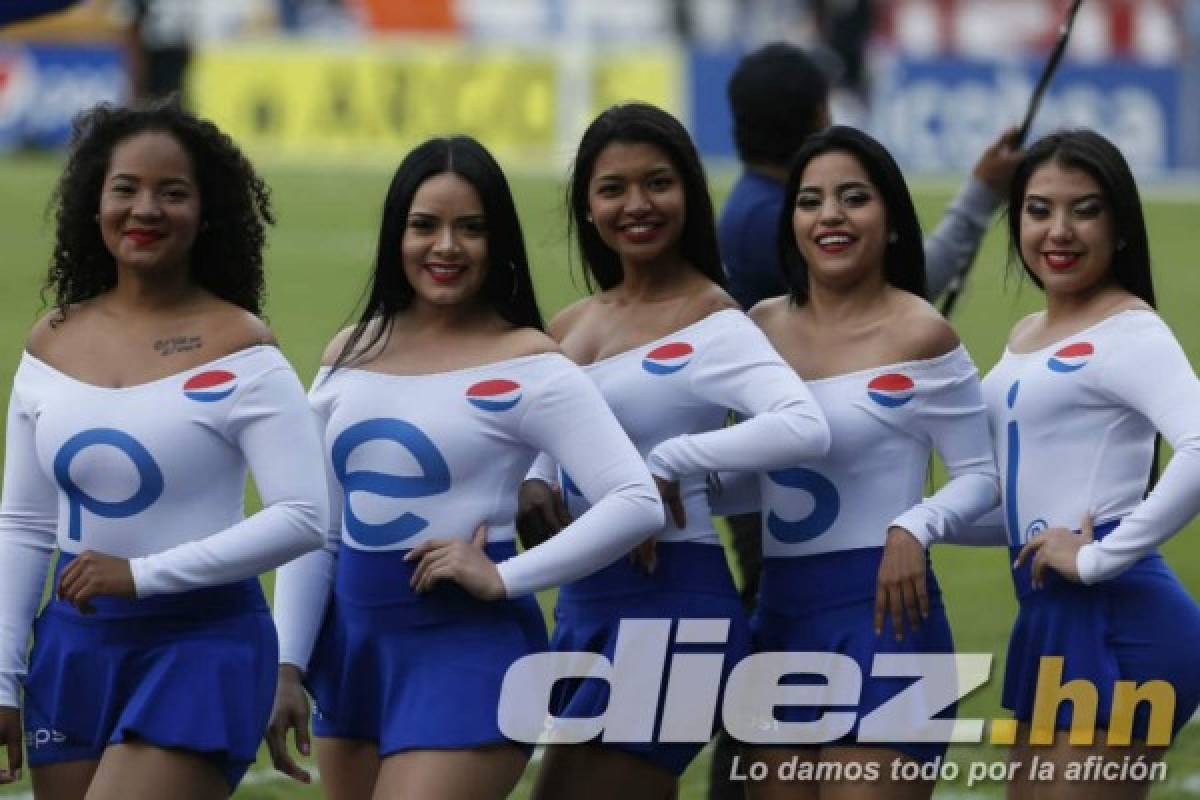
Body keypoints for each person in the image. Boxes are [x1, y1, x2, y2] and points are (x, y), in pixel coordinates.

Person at [265, 135, 664, 800]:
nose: (446, 247)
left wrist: (505, 577)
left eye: (470, 229)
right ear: (398, 234)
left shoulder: (530, 362)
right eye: (425, 225)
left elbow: (635, 500)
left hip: (468, 654)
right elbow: (316, 525)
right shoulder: (350, 352)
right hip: (354, 653)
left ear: (497, 241)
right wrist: (286, 664)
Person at [709, 43, 1019, 798]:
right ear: (792, 220)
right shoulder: (757, 330)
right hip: (780, 625)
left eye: (854, 197)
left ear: (888, 215)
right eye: (811, 200)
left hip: (891, 625)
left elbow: (981, 479)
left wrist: (917, 526)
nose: (830, 216)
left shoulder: (923, 334)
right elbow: (741, 485)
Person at [0, 101, 329, 799]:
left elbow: (304, 515)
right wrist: (2, 677)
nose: (145, 208)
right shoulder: (50, 342)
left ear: (206, 212)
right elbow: (25, 524)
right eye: (126, 188)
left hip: (201, 645)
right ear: (95, 202)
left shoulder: (244, 350)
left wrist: (143, 574)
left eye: (172, 192)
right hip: (75, 646)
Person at [517, 102, 832, 800]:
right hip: (589, 600)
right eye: (613, 188)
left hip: (672, 601)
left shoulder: (715, 320)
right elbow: (549, 430)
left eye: (657, 183)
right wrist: (537, 480)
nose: (637, 204)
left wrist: (668, 461)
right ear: (587, 206)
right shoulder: (571, 324)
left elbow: (802, 424)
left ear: (689, 192)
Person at [923, 130, 1200, 797]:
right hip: (1052, 614)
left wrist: (1101, 556)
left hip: (1121, 619)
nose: (1060, 230)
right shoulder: (1025, 336)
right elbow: (1021, 511)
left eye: (1086, 209)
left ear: (1121, 225)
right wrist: (918, 524)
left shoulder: (1129, 330)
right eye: (1040, 209)